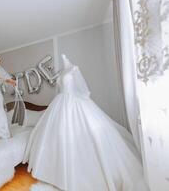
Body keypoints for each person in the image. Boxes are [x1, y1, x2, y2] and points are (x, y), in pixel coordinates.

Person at [23, 54, 148, 191]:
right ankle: (53, 169)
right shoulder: (61, 72)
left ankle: (75, 173)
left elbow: (83, 89)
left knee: (77, 134)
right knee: (57, 135)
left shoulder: (74, 69)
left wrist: (82, 102)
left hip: (72, 101)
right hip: (60, 102)